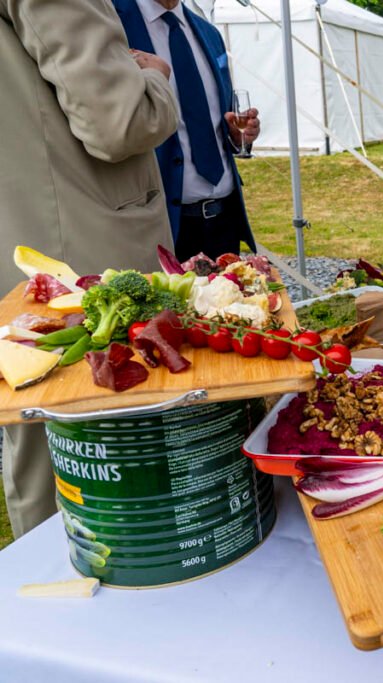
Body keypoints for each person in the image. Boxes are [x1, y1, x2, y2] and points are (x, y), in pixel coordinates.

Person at [0, 0, 178, 538]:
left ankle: (56, 594)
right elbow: (119, 122)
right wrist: (155, 80)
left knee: (39, 439)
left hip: (25, 228)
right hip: (78, 246)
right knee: (108, 445)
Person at [114, 0, 260, 262]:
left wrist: (237, 137)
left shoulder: (209, 33)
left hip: (224, 218)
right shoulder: (113, 22)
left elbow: (213, 116)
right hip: (163, 224)